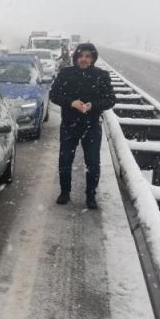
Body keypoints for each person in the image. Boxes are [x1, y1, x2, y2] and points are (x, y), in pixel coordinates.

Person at [49, 43, 115, 209]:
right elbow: (54, 95)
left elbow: (110, 100)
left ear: (93, 59)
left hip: (91, 125)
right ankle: (65, 192)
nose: (84, 59)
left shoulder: (101, 75)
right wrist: (71, 103)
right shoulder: (66, 73)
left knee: (92, 163)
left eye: (88, 56)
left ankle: (91, 196)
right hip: (69, 125)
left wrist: (93, 105)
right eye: (81, 56)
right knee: (65, 160)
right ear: (76, 57)